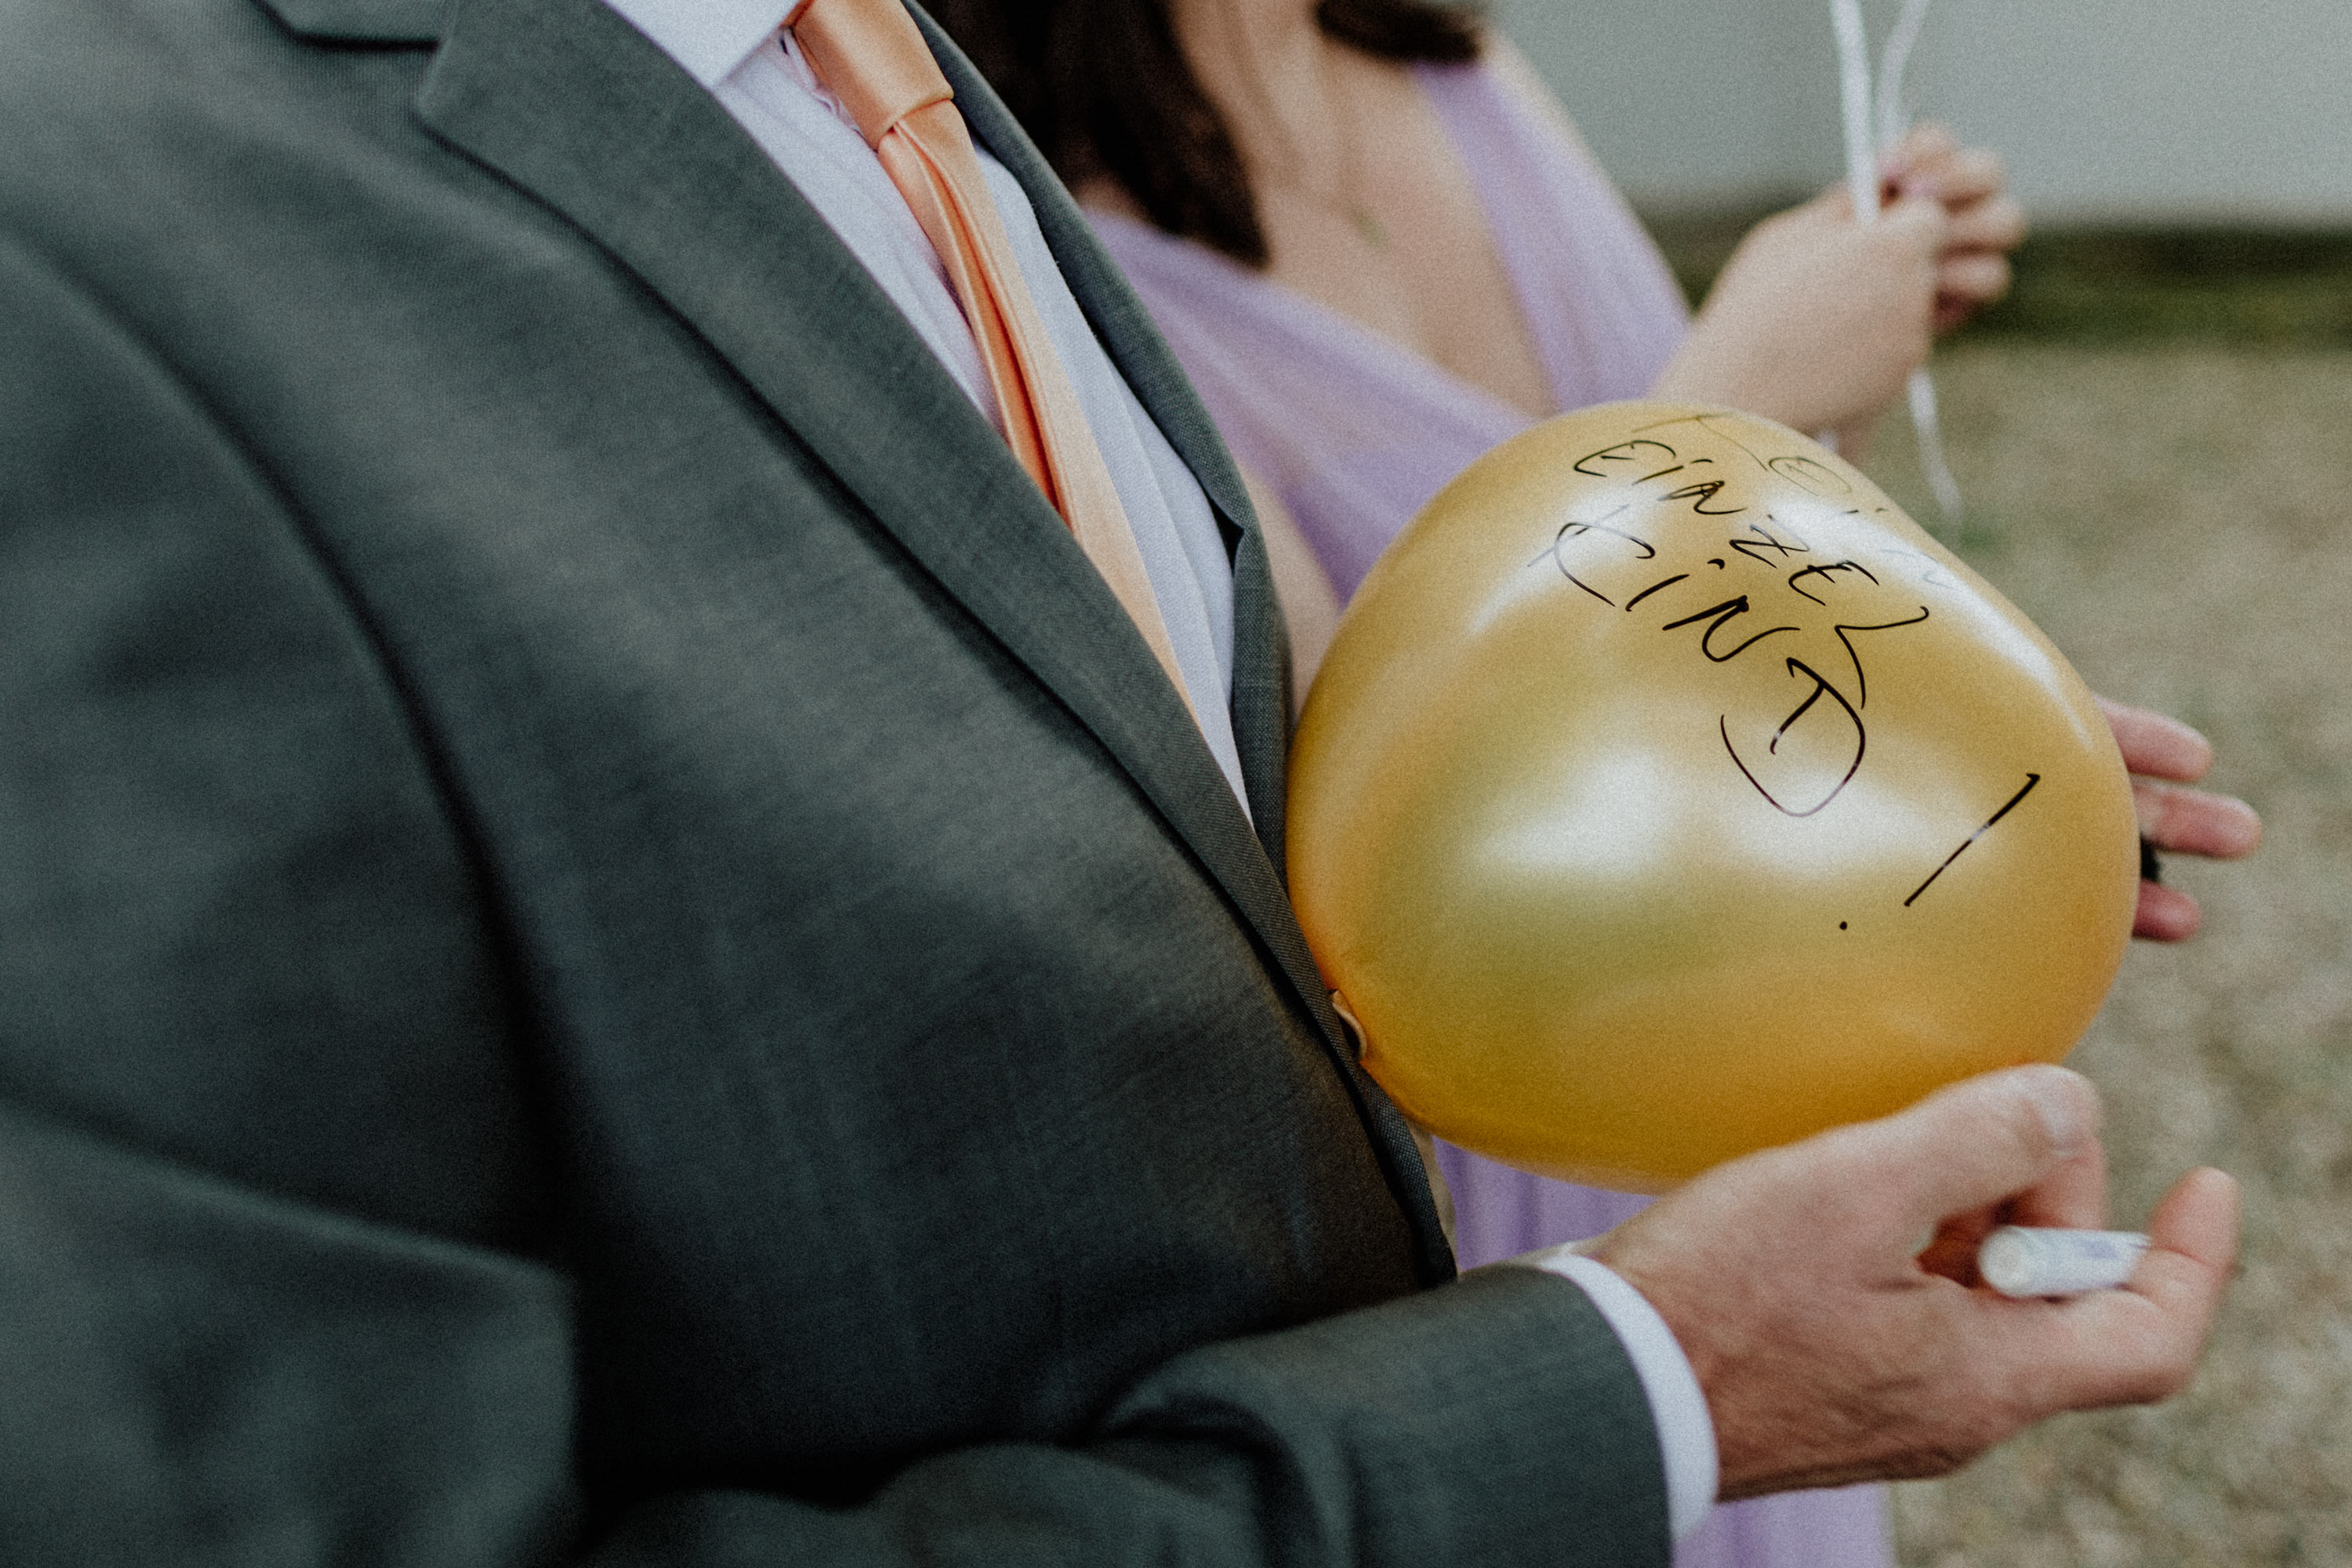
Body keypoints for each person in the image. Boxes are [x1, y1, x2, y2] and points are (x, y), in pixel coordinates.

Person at [0, 0, 2238, 1563]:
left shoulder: (853, 71)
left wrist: (1823, 817)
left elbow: (1120, 792)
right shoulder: (85, 265)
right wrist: (1643, 1385)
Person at [930, 0, 2265, 1561]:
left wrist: (1943, 753)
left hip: (1732, 1066)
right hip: (1500, 1142)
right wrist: (1750, 367)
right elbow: (1321, 763)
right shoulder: (1006, 220)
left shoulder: (1461, 68)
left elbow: (1757, 570)